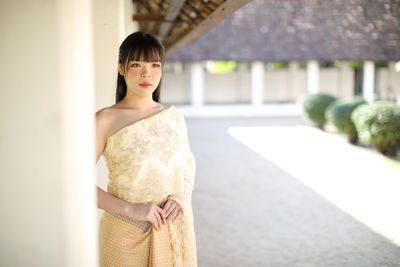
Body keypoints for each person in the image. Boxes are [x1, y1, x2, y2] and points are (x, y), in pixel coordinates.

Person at [95, 31, 197, 266]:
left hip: (169, 230)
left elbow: (187, 167)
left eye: (154, 65)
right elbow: (74, 183)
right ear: (121, 68)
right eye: (136, 64)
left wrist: (179, 198)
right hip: (123, 234)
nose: (146, 73)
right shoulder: (105, 119)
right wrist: (133, 210)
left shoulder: (174, 118)